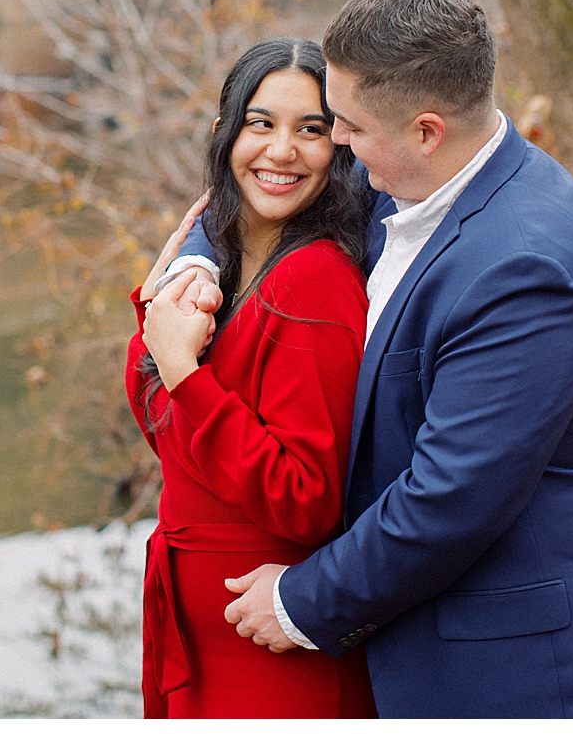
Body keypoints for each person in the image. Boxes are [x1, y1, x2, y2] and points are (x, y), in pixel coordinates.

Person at [167, 0, 573, 717]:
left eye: (348, 128)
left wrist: (301, 600)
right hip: (414, 652)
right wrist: (196, 262)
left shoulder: (525, 272)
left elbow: (447, 503)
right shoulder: (417, 171)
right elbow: (266, 193)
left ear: (426, 128)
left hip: (505, 678)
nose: (335, 145)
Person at [126, 37, 378, 718]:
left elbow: (307, 497)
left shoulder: (313, 282)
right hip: (206, 643)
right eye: (260, 123)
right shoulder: (224, 263)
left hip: (271, 664)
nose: (281, 149)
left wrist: (184, 370)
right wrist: (162, 314)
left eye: (311, 130)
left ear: (341, 148)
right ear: (224, 133)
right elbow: (172, 434)